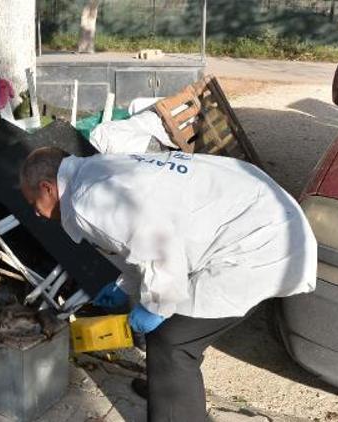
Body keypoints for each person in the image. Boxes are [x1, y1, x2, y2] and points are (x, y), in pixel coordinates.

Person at [20, 147, 317, 422]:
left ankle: (174, 404)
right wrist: (126, 285)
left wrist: (157, 305)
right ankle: (169, 391)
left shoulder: (88, 202)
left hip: (259, 242)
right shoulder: (97, 171)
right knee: (170, 331)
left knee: (172, 342)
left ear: (48, 187)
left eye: (33, 202)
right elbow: (139, 238)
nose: (35, 211)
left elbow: (160, 246)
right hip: (257, 215)